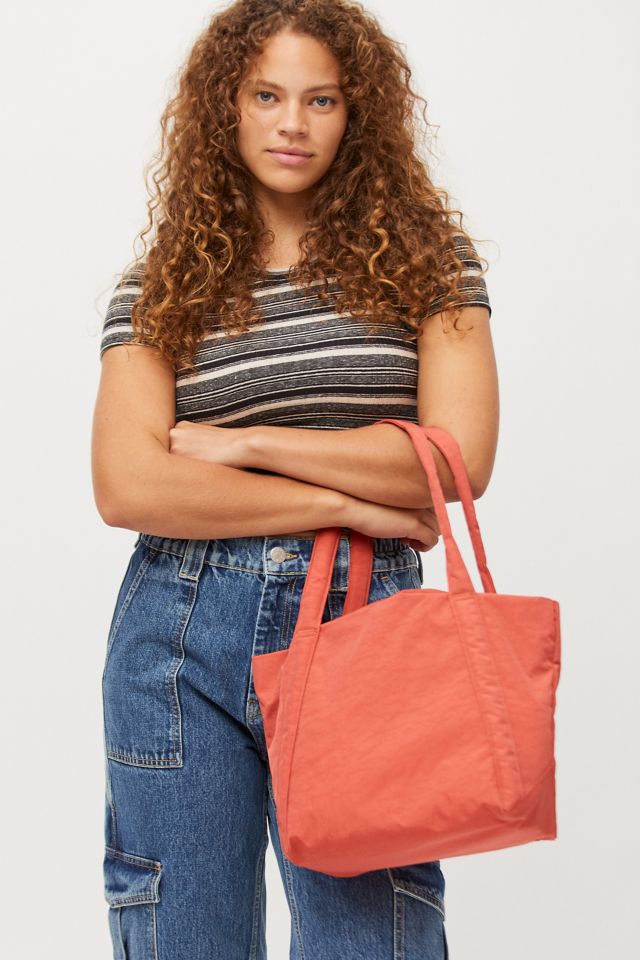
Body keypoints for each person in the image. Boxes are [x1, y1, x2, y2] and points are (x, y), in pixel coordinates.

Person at [92, 1, 498, 957]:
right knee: (181, 933)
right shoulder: (163, 283)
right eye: (266, 95)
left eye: (322, 100)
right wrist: (346, 500)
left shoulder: (429, 267)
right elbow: (128, 486)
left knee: (376, 933)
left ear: (357, 115)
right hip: (179, 631)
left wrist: (245, 444)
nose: (292, 124)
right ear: (226, 108)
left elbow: (456, 459)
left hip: (364, 617)